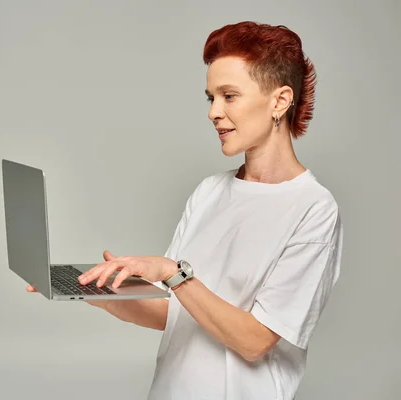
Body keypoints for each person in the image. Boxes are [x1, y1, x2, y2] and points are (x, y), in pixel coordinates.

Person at [27, 21, 343, 399]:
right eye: (211, 97)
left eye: (229, 96)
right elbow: (174, 315)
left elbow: (255, 341)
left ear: (279, 101)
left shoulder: (314, 208)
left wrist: (174, 273)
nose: (214, 112)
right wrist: (95, 290)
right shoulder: (210, 191)